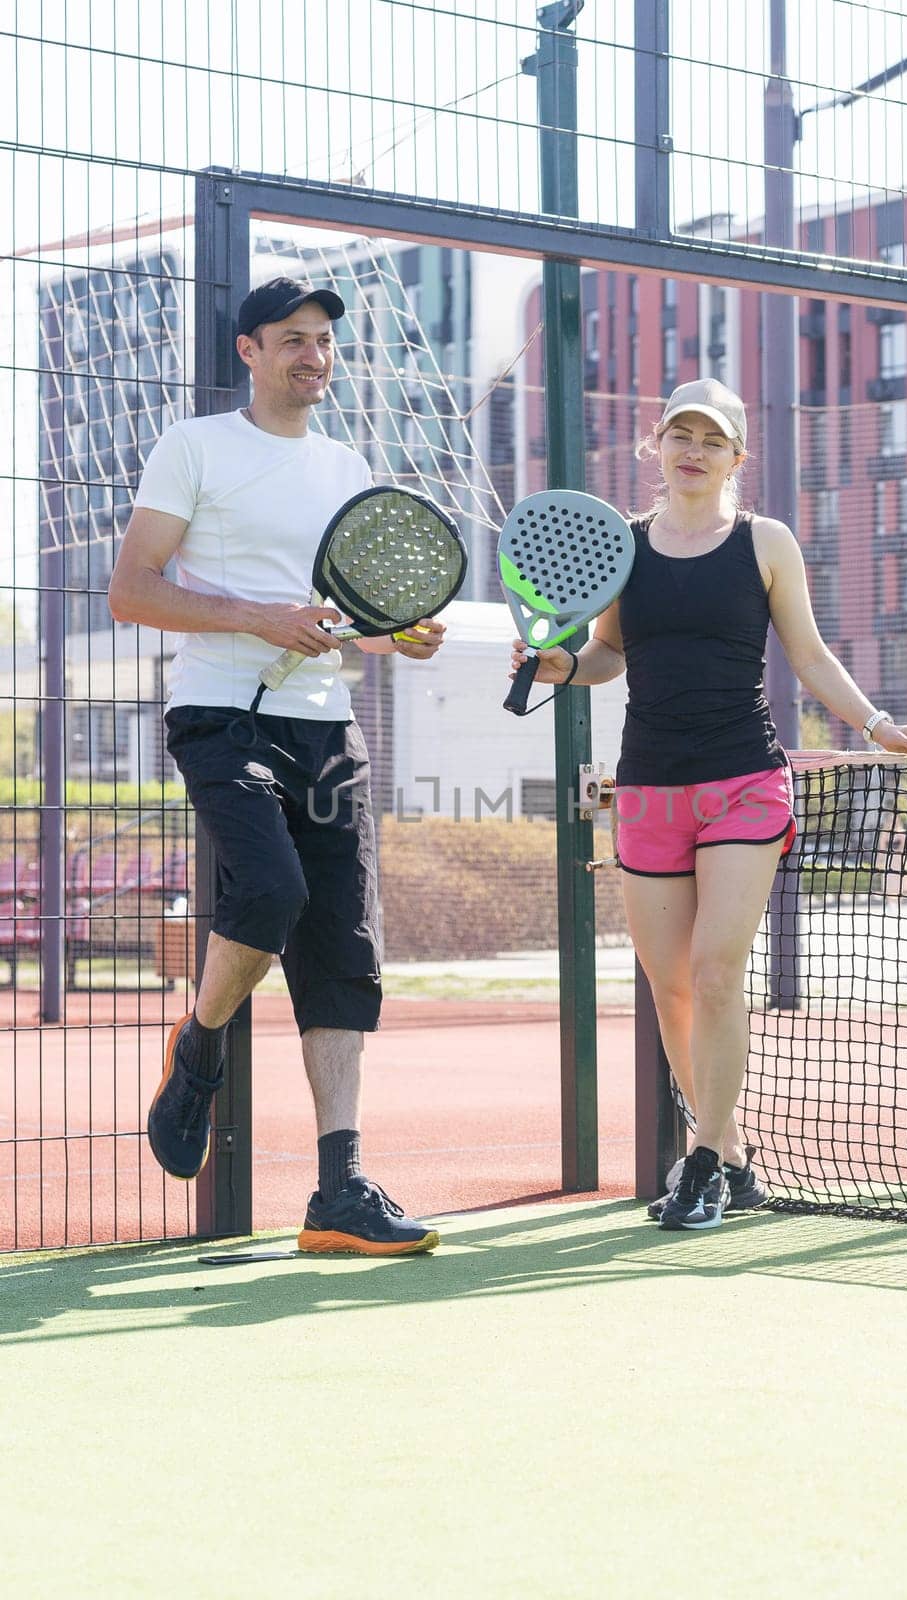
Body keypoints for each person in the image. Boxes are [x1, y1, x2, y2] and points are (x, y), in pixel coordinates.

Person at [510, 377, 907, 1231]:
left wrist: (877, 723)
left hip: (744, 780)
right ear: (657, 449)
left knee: (716, 972)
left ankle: (701, 1161)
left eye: (710, 440)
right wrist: (556, 667)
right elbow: (604, 655)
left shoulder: (766, 542)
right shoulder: (623, 546)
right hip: (646, 787)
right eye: (679, 435)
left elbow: (811, 656)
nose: (692, 451)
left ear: (735, 458)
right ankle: (734, 1157)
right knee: (671, 985)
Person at [109, 276, 444, 1255]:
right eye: (292, 338)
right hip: (221, 715)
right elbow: (133, 588)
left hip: (325, 722)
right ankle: (201, 1039)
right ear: (249, 350)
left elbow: (356, 618)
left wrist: (399, 636)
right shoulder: (195, 446)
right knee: (269, 891)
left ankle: (338, 1187)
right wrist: (257, 616)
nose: (314, 355)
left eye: (324, 341)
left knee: (343, 950)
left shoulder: (345, 465)